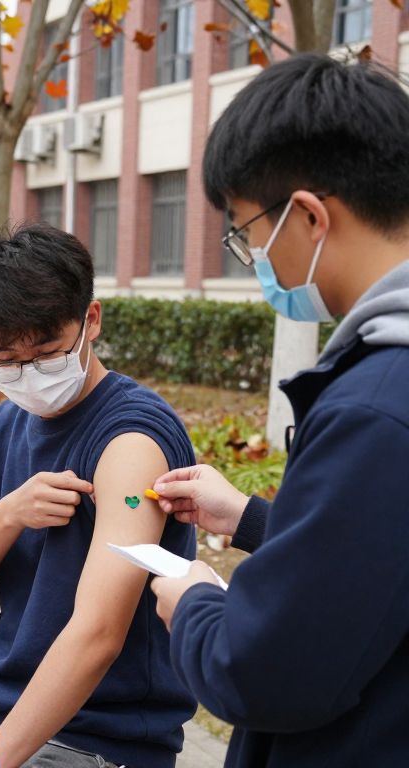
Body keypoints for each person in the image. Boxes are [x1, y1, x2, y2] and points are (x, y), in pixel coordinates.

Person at [146, 54, 409, 768]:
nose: (252, 254)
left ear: (311, 216)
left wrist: (194, 602)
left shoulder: (378, 405)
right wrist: (258, 520)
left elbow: (265, 669)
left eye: (246, 231)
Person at [0, 223, 197, 768]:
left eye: (47, 352)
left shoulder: (131, 440)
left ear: (90, 321)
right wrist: (8, 515)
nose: (28, 374)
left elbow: (98, 633)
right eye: (4, 359)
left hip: (91, 741)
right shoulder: (5, 425)